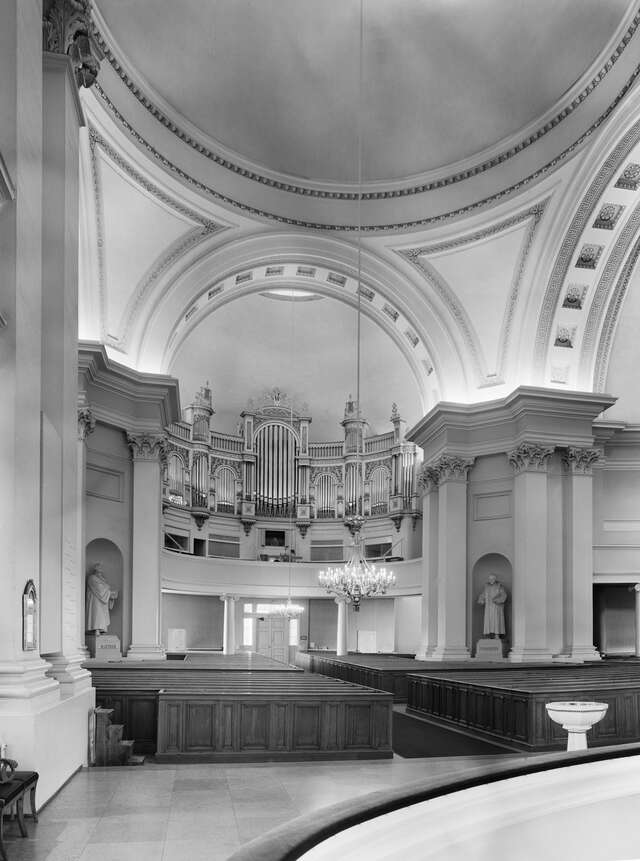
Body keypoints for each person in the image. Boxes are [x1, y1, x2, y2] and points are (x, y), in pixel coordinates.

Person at [86, 562, 118, 633]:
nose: (100, 574)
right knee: (96, 614)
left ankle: (102, 629)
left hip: (102, 601)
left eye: (101, 572)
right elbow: (99, 589)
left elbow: (105, 589)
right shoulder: (92, 578)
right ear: (96, 571)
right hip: (95, 600)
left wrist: (110, 594)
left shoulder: (102, 580)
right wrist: (109, 593)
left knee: (101, 615)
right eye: (99, 572)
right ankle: (96, 628)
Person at [478, 574, 507, 638]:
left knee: (496, 620)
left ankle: (497, 634)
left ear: (495, 579)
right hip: (488, 607)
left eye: (492, 578)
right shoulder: (486, 586)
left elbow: (504, 595)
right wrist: (481, 600)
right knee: (489, 621)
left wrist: (497, 600)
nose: (491, 580)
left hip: (497, 607)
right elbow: (483, 594)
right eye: (490, 579)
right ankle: (489, 634)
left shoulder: (499, 586)